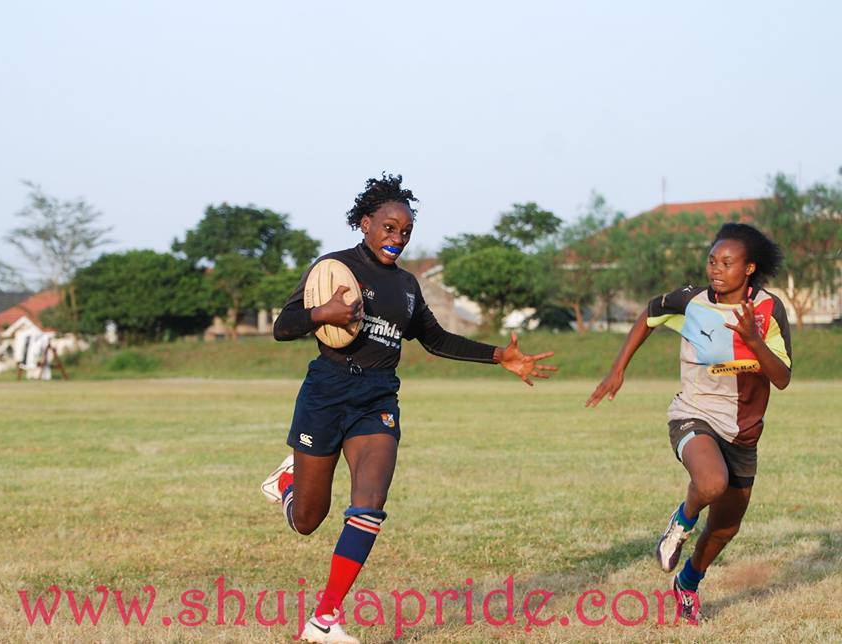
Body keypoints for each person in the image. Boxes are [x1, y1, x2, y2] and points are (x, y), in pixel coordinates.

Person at [260, 173, 558, 643]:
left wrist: (499, 355)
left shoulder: (407, 287)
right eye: (389, 228)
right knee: (307, 522)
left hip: (377, 399)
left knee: (370, 504)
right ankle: (288, 483)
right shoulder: (332, 268)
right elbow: (283, 325)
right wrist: (322, 315)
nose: (397, 239)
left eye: (405, 233)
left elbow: (436, 339)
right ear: (365, 223)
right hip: (327, 392)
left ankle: (324, 619)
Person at [586, 223, 791, 624]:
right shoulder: (691, 299)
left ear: (749, 268)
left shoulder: (768, 309)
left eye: (727, 263)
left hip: (744, 433)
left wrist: (754, 340)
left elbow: (781, 377)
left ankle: (688, 583)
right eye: (712, 260)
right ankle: (680, 522)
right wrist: (618, 369)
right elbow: (649, 314)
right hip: (693, 414)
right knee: (711, 482)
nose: (716, 269)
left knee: (725, 528)